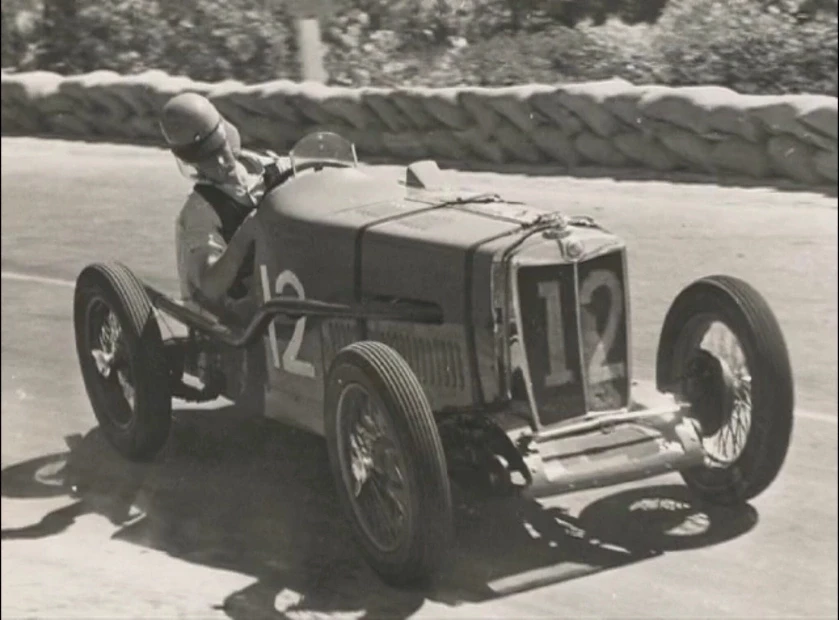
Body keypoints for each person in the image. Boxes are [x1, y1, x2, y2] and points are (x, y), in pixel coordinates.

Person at [159, 92, 291, 323]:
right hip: (248, 318)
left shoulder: (273, 167)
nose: (220, 163)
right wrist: (245, 235)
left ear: (226, 136)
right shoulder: (201, 210)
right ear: (191, 162)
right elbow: (209, 286)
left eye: (220, 149)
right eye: (206, 158)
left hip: (296, 279)